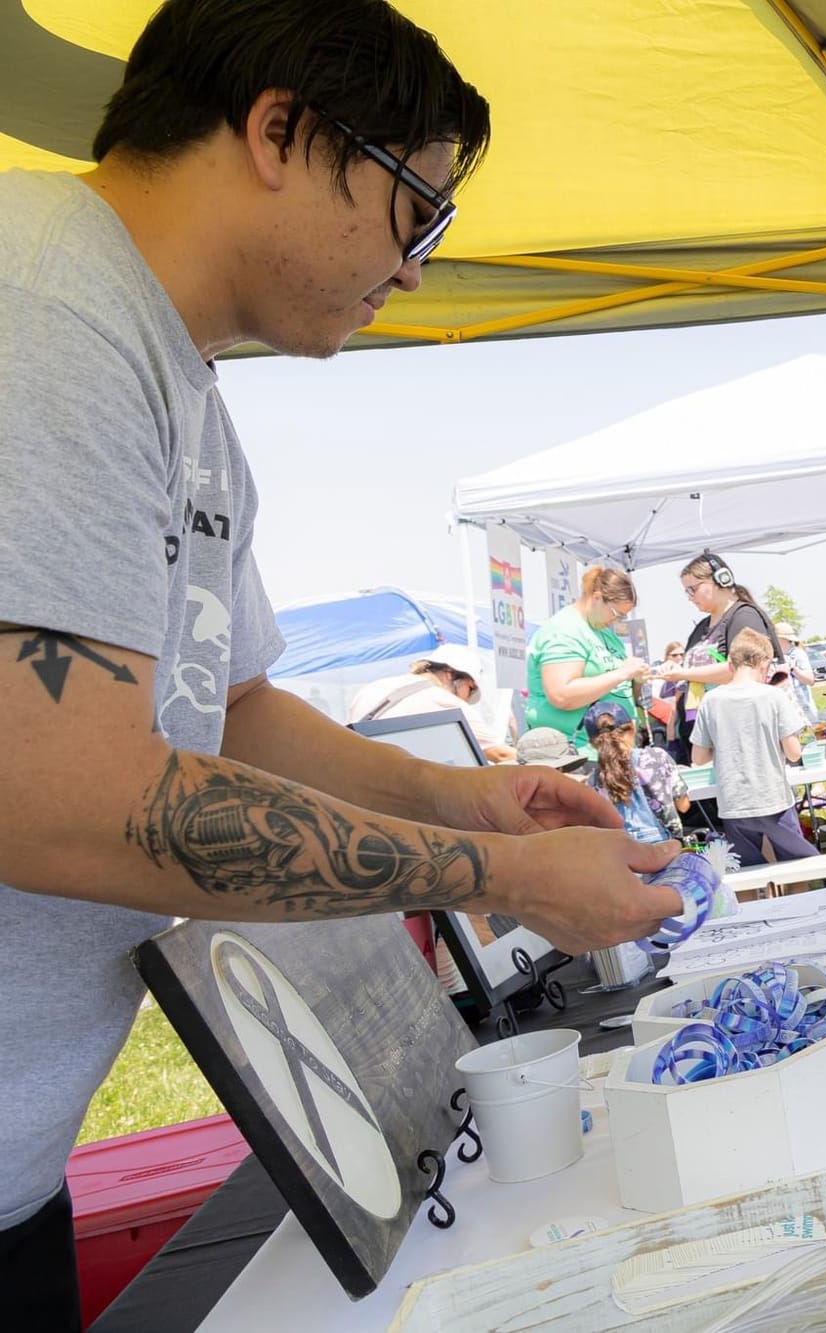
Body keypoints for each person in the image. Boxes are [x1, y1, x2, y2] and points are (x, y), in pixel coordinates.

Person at [0, 4, 686, 1320]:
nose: (417, 268)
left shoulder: (177, 384)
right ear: (281, 132)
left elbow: (231, 702)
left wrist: (463, 797)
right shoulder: (44, 312)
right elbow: (63, 795)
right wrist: (501, 873)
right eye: (415, 208)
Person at [690, 629, 817, 865]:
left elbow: (698, 757)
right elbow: (794, 752)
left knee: (746, 872)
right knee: (799, 866)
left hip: (733, 804)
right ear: (763, 662)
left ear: (730, 663)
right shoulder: (773, 696)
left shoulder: (711, 700)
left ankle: (756, 904)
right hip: (773, 798)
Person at [655, 552, 779, 756]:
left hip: (738, 729)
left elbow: (743, 670)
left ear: (721, 580)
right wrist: (673, 669)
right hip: (708, 730)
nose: (690, 597)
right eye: (687, 592)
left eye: (693, 589)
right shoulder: (702, 626)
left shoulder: (743, 616)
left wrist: (683, 674)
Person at [523, 564, 649, 745]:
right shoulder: (565, 630)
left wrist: (637, 679)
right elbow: (562, 694)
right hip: (576, 752)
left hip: (613, 751)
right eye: (617, 614)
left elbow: (620, 690)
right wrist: (622, 673)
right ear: (597, 598)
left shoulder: (603, 631)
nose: (617, 621)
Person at [348, 643, 515, 761]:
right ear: (450, 674)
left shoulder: (374, 687)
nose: (466, 698)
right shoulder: (445, 701)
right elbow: (500, 754)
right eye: (469, 689)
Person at [583, 698, 690, 842]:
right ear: (632, 728)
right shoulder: (656, 757)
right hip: (662, 842)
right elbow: (683, 805)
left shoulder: (594, 779)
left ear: (592, 743)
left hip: (619, 849)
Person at [772, 620, 819, 723]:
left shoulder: (797, 654)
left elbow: (810, 680)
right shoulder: (774, 657)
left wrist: (793, 668)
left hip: (805, 710)